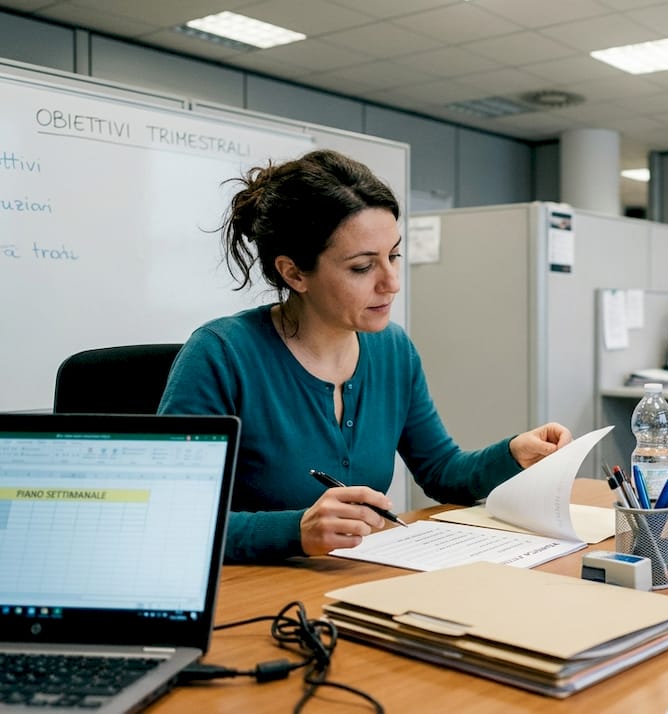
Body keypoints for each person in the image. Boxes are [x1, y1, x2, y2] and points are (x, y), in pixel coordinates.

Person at [159, 149, 572, 563]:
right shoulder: (221, 354)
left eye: (393, 256)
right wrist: (294, 530)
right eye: (362, 267)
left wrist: (512, 454)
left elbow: (442, 471)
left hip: (355, 583)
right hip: (251, 598)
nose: (391, 283)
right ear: (294, 273)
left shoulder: (394, 349)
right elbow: (172, 517)